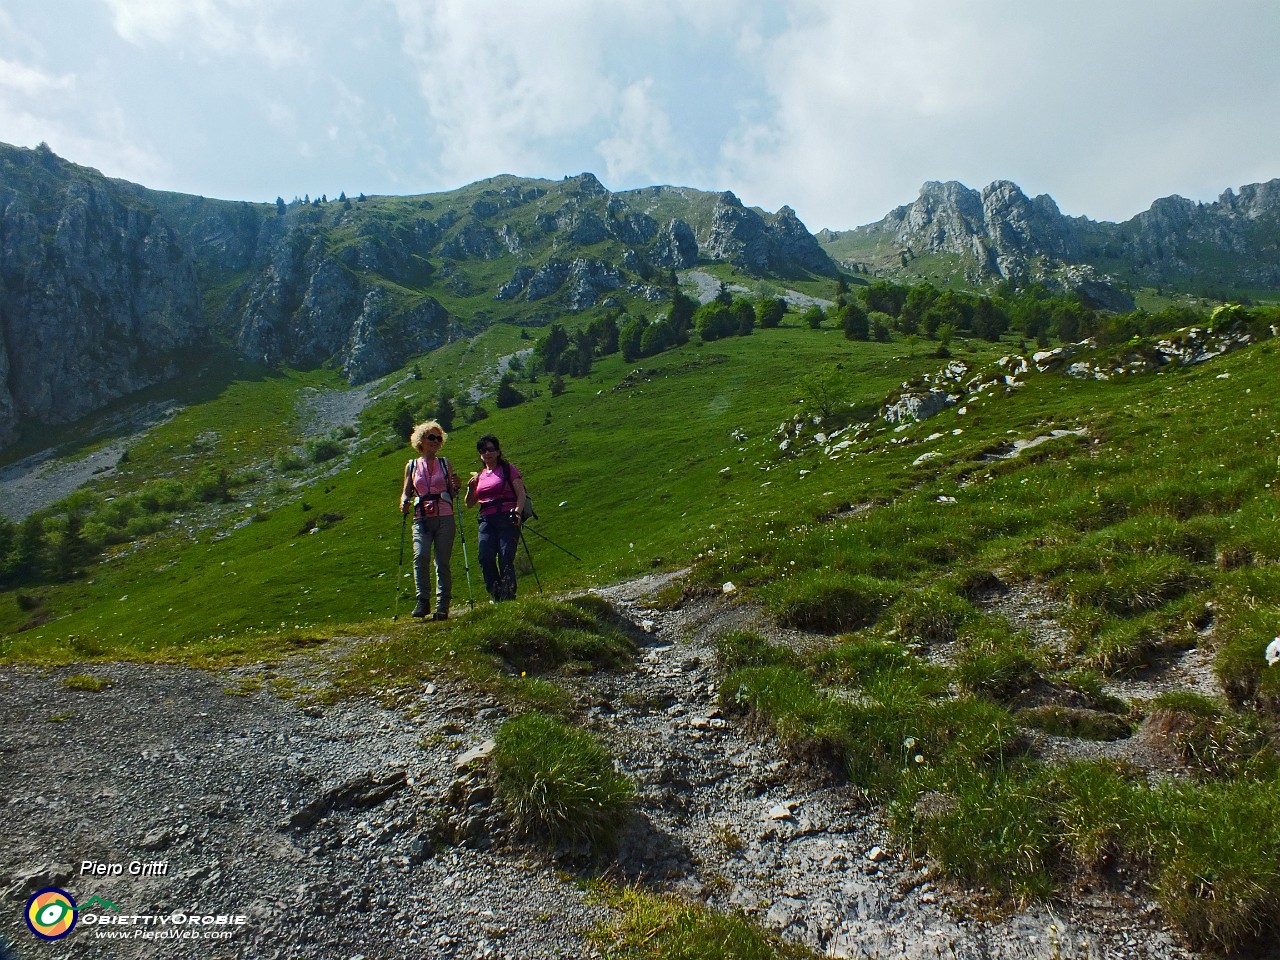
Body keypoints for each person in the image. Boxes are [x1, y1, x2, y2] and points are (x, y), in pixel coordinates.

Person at [399, 420, 461, 619]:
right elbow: (406, 491)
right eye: (431, 437)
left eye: (438, 438)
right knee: (421, 556)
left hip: (444, 515)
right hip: (421, 517)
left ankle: (442, 605)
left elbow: (453, 492)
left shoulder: (445, 463)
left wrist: (457, 485)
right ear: (421, 440)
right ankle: (423, 600)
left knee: (442, 561)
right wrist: (404, 502)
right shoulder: (411, 465)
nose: (435, 441)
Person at [464, 433, 527, 602]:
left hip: (508, 517)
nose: (487, 453)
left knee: (506, 554)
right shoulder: (480, 476)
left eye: (491, 449)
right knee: (485, 556)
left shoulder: (508, 469)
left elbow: (521, 494)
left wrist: (517, 512)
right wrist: (470, 489)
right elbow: (469, 503)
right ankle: (496, 594)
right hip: (486, 520)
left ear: (498, 451)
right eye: (483, 450)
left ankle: (507, 593)